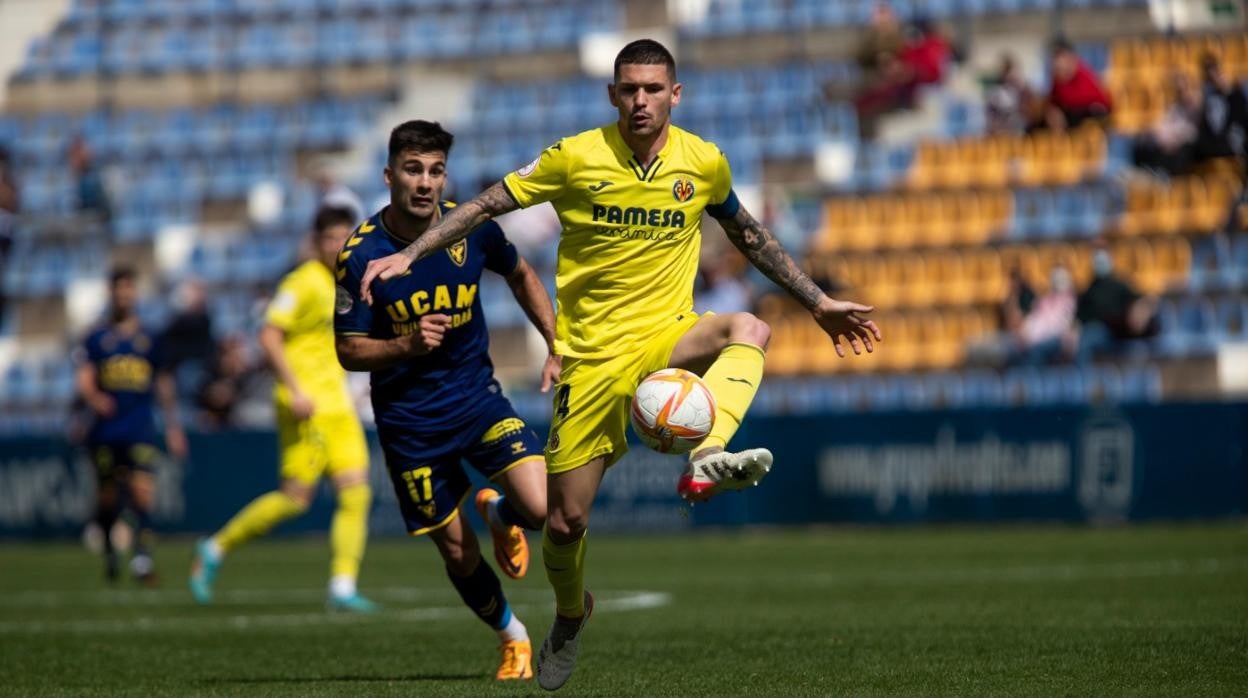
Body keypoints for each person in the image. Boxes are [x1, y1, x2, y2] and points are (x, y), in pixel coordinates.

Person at [355, 39, 881, 691]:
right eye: (629, 88)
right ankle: (572, 616)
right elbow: (489, 204)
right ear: (612, 94)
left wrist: (819, 300)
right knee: (564, 521)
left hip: (666, 337)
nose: (640, 100)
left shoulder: (704, 164)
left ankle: (707, 453)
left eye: (653, 89)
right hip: (592, 364)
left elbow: (748, 234)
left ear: (675, 95)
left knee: (749, 326)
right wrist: (412, 254)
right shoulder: (575, 157)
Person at [335, 121, 558, 680]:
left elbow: (523, 273)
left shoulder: (471, 226)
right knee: (457, 553)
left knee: (542, 509)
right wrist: (405, 344)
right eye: (413, 170)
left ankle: (498, 509)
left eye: (435, 170)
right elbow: (347, 350)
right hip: (410, 425)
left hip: (476, 401)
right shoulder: (360, 255)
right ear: (389, 176)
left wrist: (556, 342)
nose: (426, 182)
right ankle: (514, 637)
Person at [189, 207, 376, 611]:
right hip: (306, 403)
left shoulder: (346, 281)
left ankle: (342, 586)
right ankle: (215, 546)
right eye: (329, 238)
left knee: (356, 493)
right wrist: (294, 390)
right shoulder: (303, 282)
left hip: (338, 404)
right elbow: (269, 335)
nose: (338, 245)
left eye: (345, 237)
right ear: (315, 242)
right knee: (295, 498)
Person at [75, 266, 188, 584]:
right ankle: (111, 552)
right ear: (111, 293)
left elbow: (164, 383)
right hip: (106, 429)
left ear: (135, 293)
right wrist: (94, 398)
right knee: (108, 498)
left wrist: (173, 426)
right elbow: (84, 378)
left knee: (141, 494)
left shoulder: (150, 338)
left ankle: (142, 561)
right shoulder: (97, 338)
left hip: (139, 427)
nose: (123, 294)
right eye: (118, 288)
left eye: (128, 288)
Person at [1075, 243, 1159, 362]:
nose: (1099, 261)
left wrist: (1141, 311)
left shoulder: (1119, 284)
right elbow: (1079, 315)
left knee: (1085, 342)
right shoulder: (1090, 288)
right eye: (1096, 257)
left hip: (1110, 331)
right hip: (1091, 328)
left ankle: (1082, 378)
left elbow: (1146, 300)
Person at [1131, 72, 1201, 176]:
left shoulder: (1196, 110)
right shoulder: (1174, 108)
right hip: (1166, 145)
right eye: (1178, 90)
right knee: (1141, 142)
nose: (1181, 93)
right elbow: (1161, 126)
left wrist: (1175, 140)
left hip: (1183, 150)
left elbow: (1193, 133)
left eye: (1183, 89)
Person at [1044, 39, 1113, 132]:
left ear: (1070, 58)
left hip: (1091, 116)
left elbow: (1090, 100)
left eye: (1060, 57)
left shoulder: (1083, 74)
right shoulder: (1057, 80)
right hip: (1072, 118)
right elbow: (1053, 101)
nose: (1057, 64)